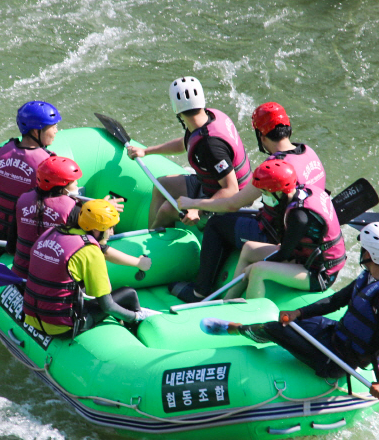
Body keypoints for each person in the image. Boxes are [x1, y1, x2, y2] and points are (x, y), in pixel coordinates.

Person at [201, 222, 379, 399]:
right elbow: (335, 301)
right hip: (335, 336)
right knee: (288, 322)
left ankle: (237, 329)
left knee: (276, 329)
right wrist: (299, 313)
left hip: (339, 360)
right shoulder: (370, 276)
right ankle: (262, 329)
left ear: (369, 253)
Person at [167, 101, 328, 302]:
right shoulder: (308, 153)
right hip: (307, 234)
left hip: (276, 234)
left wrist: (195, 204)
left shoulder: (275, 170)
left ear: (261, 136)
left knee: (217, 224)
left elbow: (232, 203)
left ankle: (199, 291)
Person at [125, 77, 252, 229]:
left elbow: (231, 190)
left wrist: (197, 208)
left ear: (175, 109)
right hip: (212, 187)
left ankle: (152, 245)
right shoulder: (209, 116)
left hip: (231, 202)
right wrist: (146, 151)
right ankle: (153, 231)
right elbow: (186, 142)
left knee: (166, 209)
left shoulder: (210, 146)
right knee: (161, 185)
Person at [22, 199, 159, 338]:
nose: (111, 233)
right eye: (109, 228)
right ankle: (136, 330)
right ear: (96, 230)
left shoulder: (52, 232)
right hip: (63, 327)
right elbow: (108, 306)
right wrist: (136, 316)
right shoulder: (89, 250)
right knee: (128, 294)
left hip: (31, 318)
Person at [223, 158, 345, 299]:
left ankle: (255, 318)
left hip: (318, 273)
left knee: (258, 270)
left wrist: (255, 266)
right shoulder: (302, 191)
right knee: (249, 248)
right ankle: (229, 299)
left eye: (265, 192)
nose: (263, 197)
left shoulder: (299, 217)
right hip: (303, 258)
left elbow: (284, 254)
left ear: (279, 191)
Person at [12, 157, 149, 280]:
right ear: (62, 186)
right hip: (51, 278)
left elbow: (12, 243)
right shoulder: (73, 211)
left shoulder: (23, 199)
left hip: (20, 271)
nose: (77, 183)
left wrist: (99, 206)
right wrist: (138, 262)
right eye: (73, 181)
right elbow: (99, 248)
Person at [0, 101, 61, 247]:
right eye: (52, 127)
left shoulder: (0, 152)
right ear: (36, 131)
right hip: (26, 241)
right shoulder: (49, 163)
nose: (56, 131)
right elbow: (60, 208)